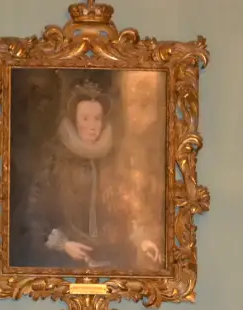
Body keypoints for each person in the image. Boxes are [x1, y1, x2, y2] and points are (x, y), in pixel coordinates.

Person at [20, 79, 160, 271]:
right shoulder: (54, 158)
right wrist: (62, 244)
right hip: (67, 260)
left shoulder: (113, 157)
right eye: (85, 118)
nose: (92, 126)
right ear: (74, 120)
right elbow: (36, 211)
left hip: (113, 257)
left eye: (97, 118)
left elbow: (125, 206)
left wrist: (141, 240)